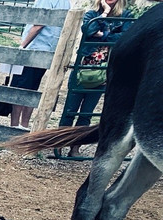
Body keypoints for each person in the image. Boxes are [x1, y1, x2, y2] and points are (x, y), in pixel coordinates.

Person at [67, 0, 129, 157]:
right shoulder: (91, 14)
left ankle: (75, 148)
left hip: (105, 69)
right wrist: (105, 13)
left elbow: (123, 39)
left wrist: (102, 35)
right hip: (84, 67)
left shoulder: (126, 16)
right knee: (70, 110)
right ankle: (60, 144)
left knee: (87, 112)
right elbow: (88, 30)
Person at [9, 0, 72, 129]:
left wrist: (22, 46)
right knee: (33, 86)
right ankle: (24, 124)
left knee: (20, 86)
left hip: (35, 48)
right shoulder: (66, 2)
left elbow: (39, 24)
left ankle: (15, 125)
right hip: (48, 48)